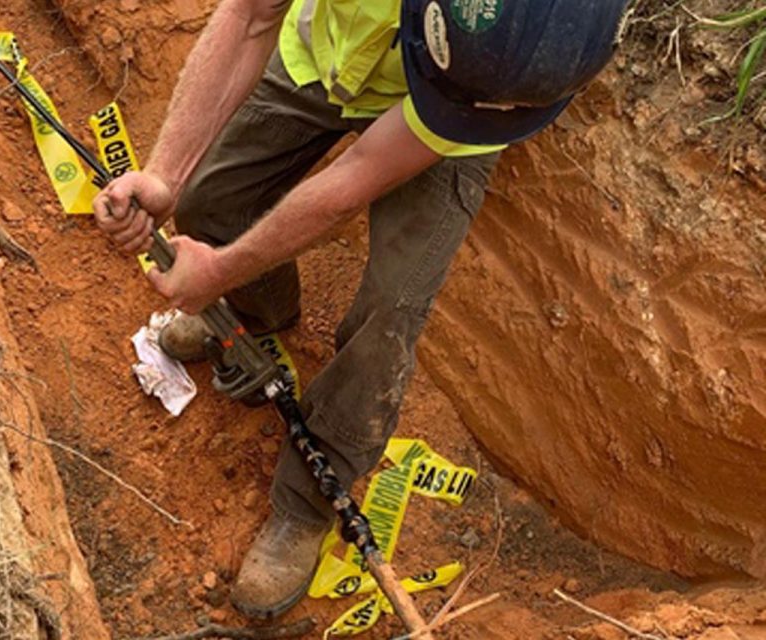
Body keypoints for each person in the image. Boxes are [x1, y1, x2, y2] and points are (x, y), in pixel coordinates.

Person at [93, 0, 628, 620]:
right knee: (213, 202)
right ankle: (254, 318)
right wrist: (166, 176)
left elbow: (352, 182)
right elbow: (249, 17)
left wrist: (218, 270)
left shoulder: (509, 60)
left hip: (448, 101)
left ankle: (307, 503)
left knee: (391, 312)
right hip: (324, 54)